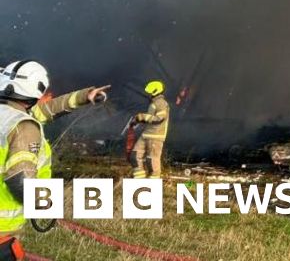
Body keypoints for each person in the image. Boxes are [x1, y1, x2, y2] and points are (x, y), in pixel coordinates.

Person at [0, 60, 108, 246]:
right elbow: (19, 179)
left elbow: (47, 110)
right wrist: (46, 205)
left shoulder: (8, 115)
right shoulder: (24, 126)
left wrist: (84, 96)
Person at [131, 80, 169, 179]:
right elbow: (151, 119)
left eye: (149, 92)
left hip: (155, 136)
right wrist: (138, 119)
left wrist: (143, 117)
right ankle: (139, 181)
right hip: (146, 134)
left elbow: (159, 119)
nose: (148, 94)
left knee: (151, 161)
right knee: (135, 156)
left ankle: (152, 184)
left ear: (155, 91)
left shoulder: (161, 103)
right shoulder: (154, 103)